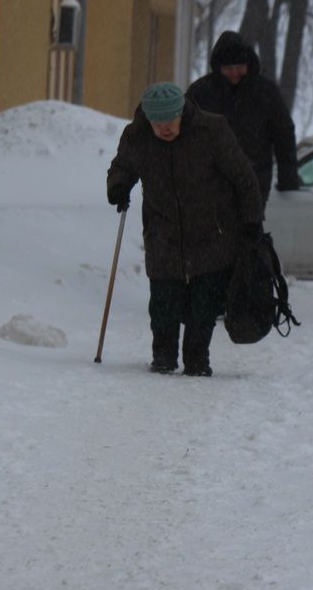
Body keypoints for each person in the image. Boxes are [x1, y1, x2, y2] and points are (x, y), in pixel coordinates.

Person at [107, 82, 263, 377]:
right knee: (163, 303)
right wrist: (118, 186)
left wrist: (252, 221)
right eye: (157, 123)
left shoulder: (212, 131)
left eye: (170, 121)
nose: (164, 128)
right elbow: (122, 167)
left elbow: (244, 178)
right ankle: (163, 358)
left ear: (181, 112)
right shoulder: (137, 136)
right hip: (162, 232)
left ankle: (197, 360)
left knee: (203, 306)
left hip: (211, 233)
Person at [186, 31, 301, 204]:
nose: (234, 73)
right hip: (209, 183)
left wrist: (288, 179)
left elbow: (284, 134)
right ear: (218, 66)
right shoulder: (200, 93)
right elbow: (185, 133)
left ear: (248, 64)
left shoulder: (266, 93)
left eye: (239, 67)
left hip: (254, 182)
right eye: (228, 68)